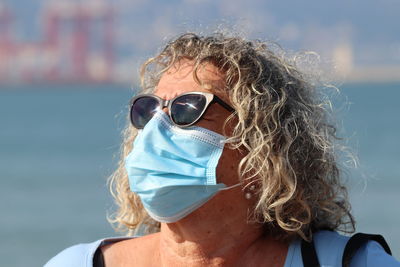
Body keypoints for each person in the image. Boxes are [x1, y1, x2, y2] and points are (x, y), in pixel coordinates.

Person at [45, 33, 399, 267]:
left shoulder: (352, 262)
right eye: (149, 110)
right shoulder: (77, 264)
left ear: (264, 145)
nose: (158, 128)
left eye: (188, 108)